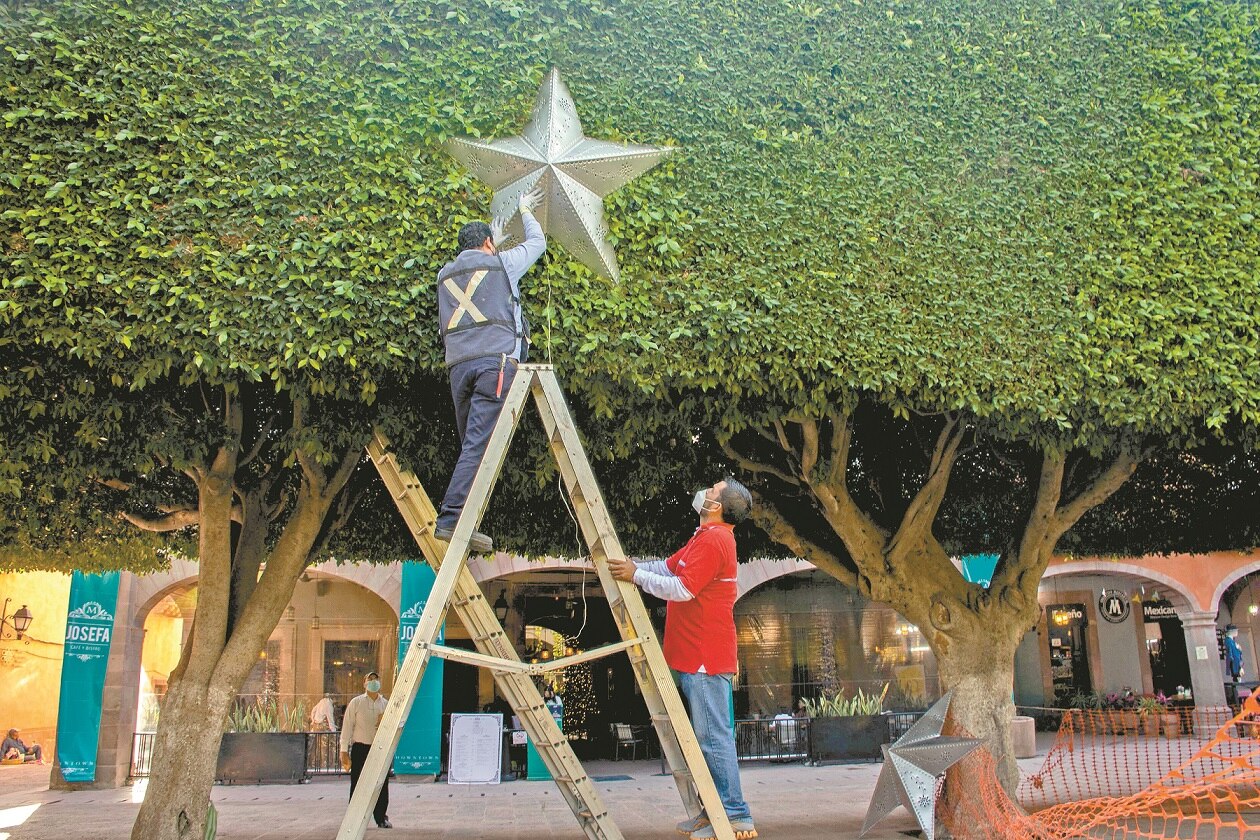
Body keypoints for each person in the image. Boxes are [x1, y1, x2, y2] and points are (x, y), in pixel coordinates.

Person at [608, 478, 757, 840]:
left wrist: (636, 576)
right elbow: (669, 567)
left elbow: (681, 589)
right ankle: (713, 811)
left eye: (713, 491)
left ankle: (735, 815)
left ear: (717, 507)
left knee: (713, 739)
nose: (705, 492)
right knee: (708, 738)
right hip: (698, 655)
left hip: (705, 657)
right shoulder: (704, 537)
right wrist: (636, 568)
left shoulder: (717, 540)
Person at [433, 188, 547, 555]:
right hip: (493, 364)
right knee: (481, 445)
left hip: (458, 367)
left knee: (473, 445)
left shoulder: (445, 275)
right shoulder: (501, 264)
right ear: (487, 242)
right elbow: (538, 243)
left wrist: (491, 243)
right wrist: (526, 210)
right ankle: (452, 519)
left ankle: (465, 524)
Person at [340, 672, 391, 829]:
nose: (373, 682)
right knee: (358, 784)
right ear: (364, 683)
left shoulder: (385, 704)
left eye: (376, 679)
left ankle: (381, 817)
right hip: (360, 748)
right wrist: (344, 750)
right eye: (370, 679)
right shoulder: (356, 703)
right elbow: (347, 727)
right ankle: (354, 818)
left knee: (381, 784)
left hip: (379, 748)